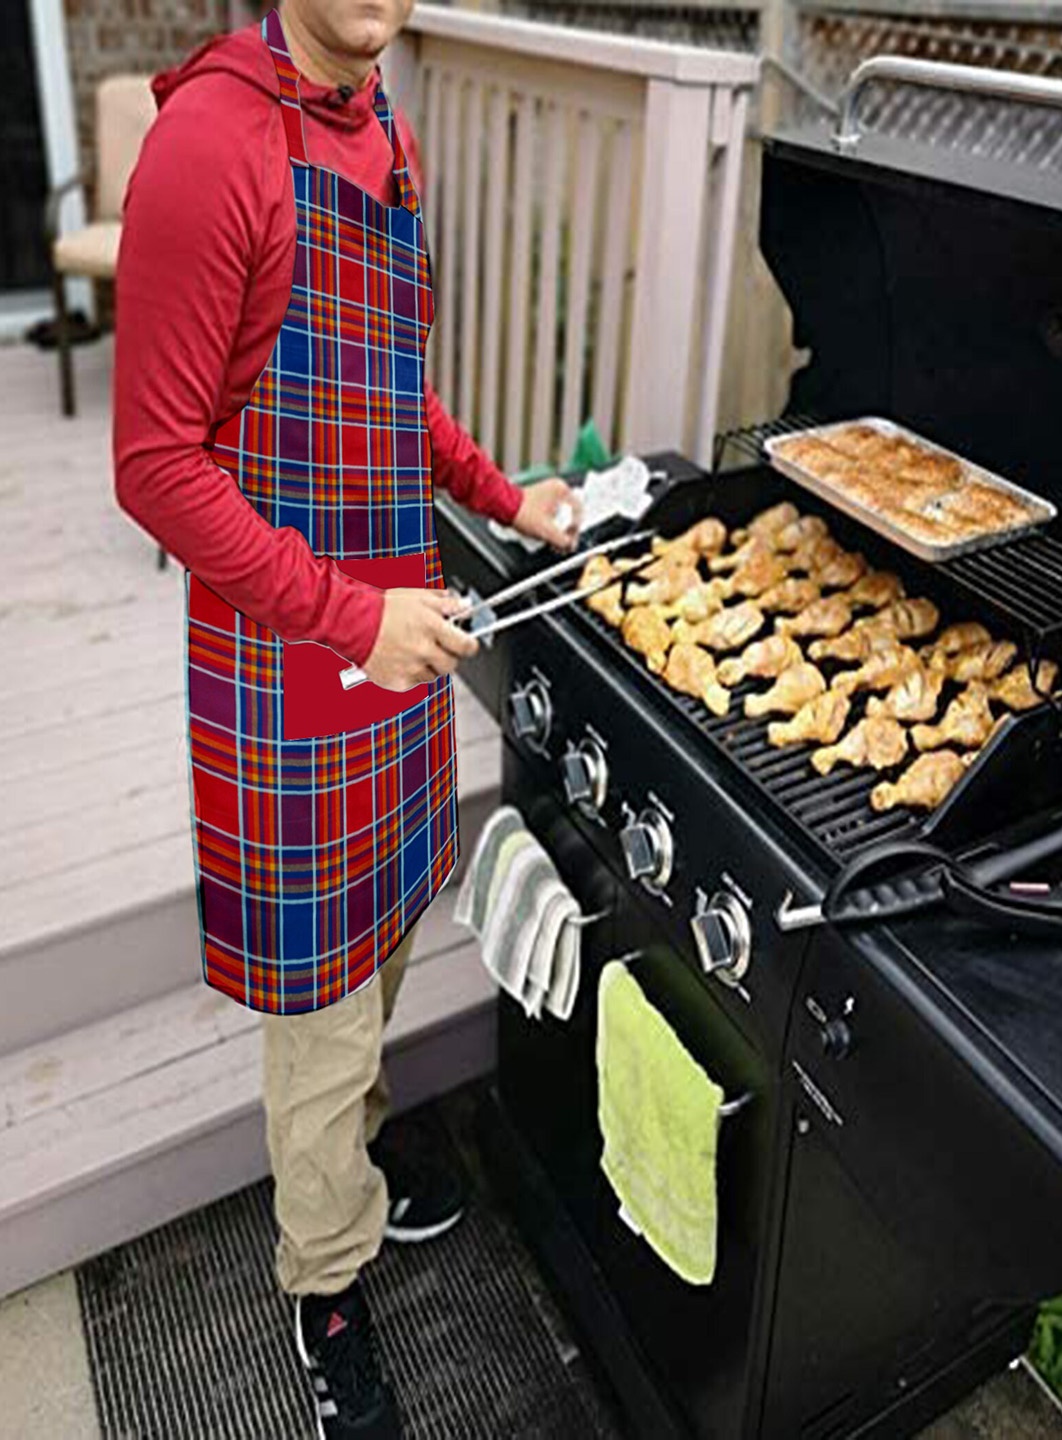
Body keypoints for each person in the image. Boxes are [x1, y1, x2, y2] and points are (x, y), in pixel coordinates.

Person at [113, 2, 583, 1435]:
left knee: (375, 959)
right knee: (316, 1021)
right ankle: (324, 1286)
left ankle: (361, 1174)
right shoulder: (207, 142)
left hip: (396, 635)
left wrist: (508, 497)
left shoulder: (381, 122)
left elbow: (390, 392)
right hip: (291, 657)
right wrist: (350, 618)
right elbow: (154, 466)